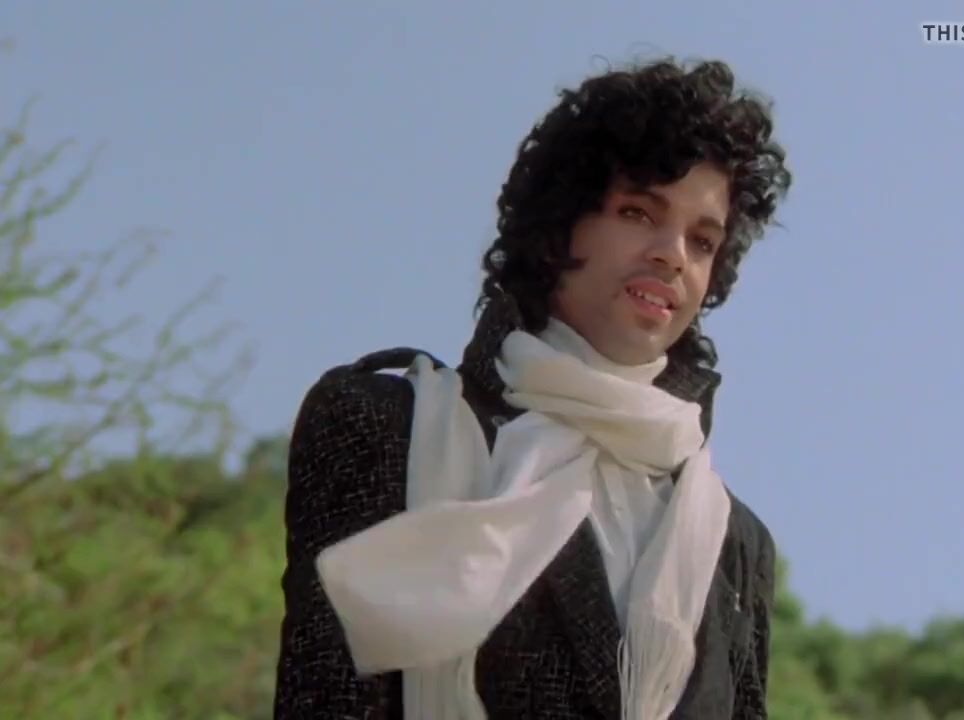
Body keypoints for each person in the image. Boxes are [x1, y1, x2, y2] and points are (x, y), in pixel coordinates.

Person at [273, 56, 793, 720]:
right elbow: (324, 698)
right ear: (557, 226)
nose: (672, 255)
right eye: (638, 212)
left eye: (702, 240)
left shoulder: (734, 543)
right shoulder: (384, 424)